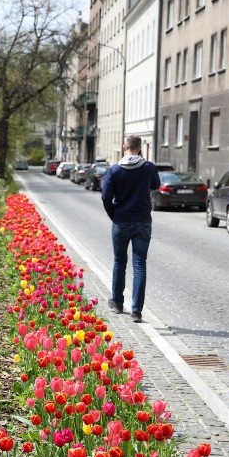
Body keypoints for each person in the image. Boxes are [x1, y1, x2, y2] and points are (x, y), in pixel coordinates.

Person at [100, 135, 160, 322]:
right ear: (140, 148)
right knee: (139, 264)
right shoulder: (148, 167)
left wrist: (114, 215)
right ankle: (136, 311)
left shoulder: (115, 170)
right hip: (143, 221)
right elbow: (156, 185)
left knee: (119, 262)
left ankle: (117, 303)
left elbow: (105, 196)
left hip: (121, 221)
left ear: (124, 146)